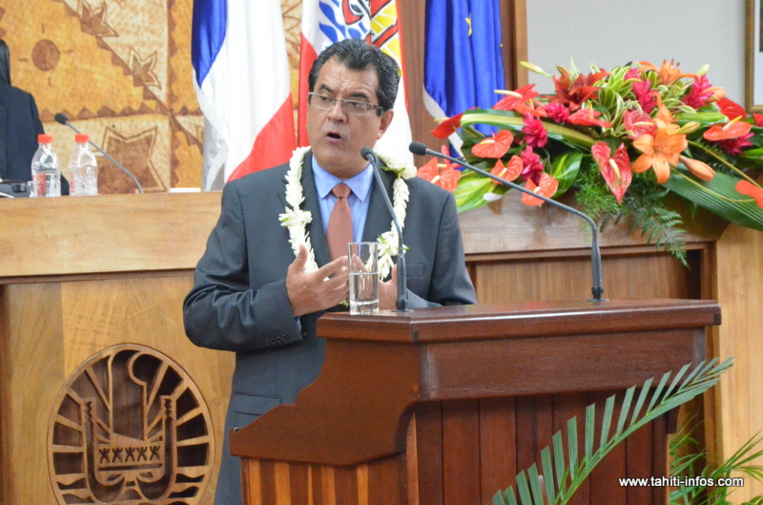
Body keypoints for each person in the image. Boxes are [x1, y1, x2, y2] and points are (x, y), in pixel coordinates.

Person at [183, 38, 477, 505]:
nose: (335, 114)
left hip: (392, 441)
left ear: (383, 122)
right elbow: (200, 314)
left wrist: (402, 307)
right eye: (324, 97)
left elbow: (464, 326)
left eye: (356, 102)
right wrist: (289, 302)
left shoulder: (428, 207)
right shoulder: (251, 198)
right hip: (275, 434)